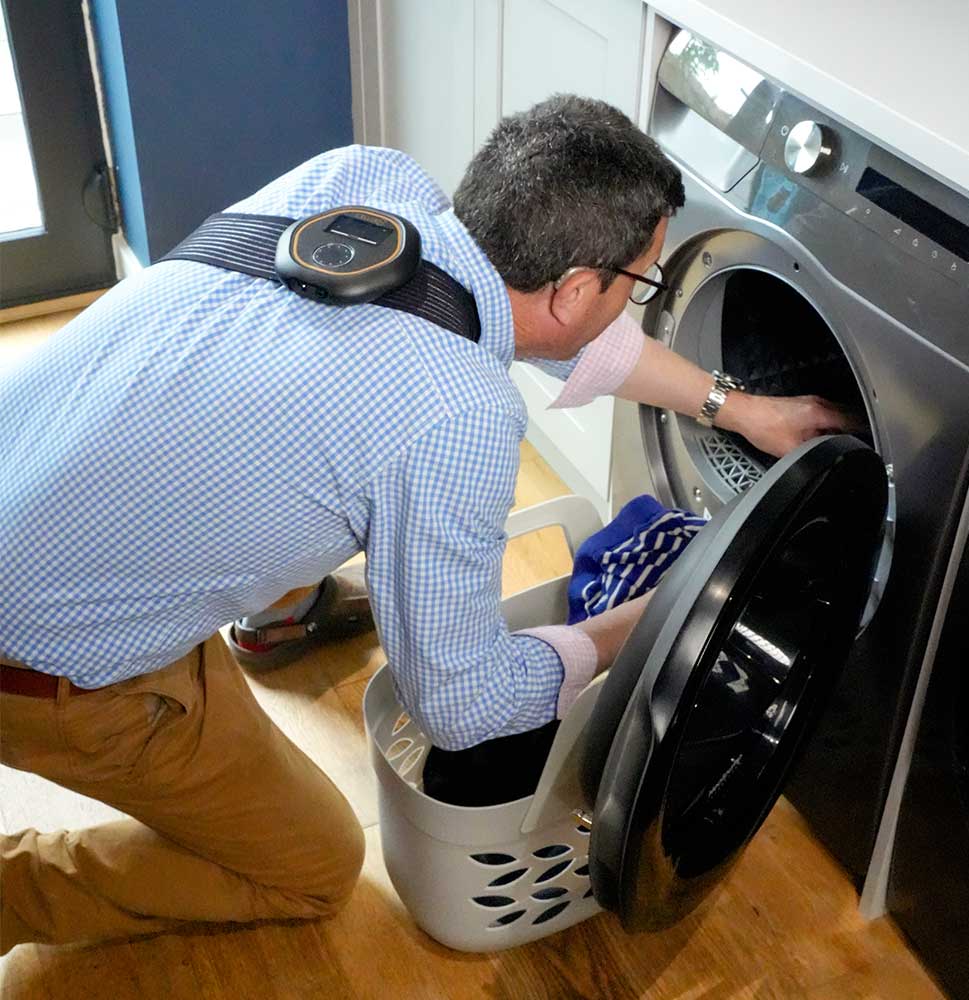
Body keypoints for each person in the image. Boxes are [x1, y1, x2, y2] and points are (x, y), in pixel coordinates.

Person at [0, 95, 852, 952]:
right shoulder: (459, 417)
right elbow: (461, 706)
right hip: (49, 669)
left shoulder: (367, 180)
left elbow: (543, 327)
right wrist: (655, 619)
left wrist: (736, 407)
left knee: (316, 450)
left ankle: (279, 605)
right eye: (642, 283)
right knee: (313, 869)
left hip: (47, 484)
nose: (639, 303)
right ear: (579, 287)